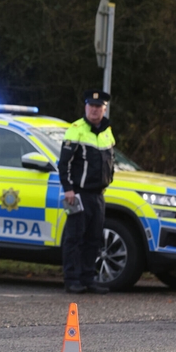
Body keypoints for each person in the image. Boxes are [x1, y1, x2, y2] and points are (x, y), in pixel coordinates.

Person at [58, 90, 115, 294]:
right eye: (91, 106)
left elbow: (110, 160)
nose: (94, 110)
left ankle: (88, 278)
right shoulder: (76, 129)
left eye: (98, 107)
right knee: (74, 237)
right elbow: (64, 163)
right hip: (78, 193)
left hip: (98, 194)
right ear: (85, 107)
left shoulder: (107, 130)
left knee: (94, 237)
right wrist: (68, 189)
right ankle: (72, 279)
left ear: (104, 109)